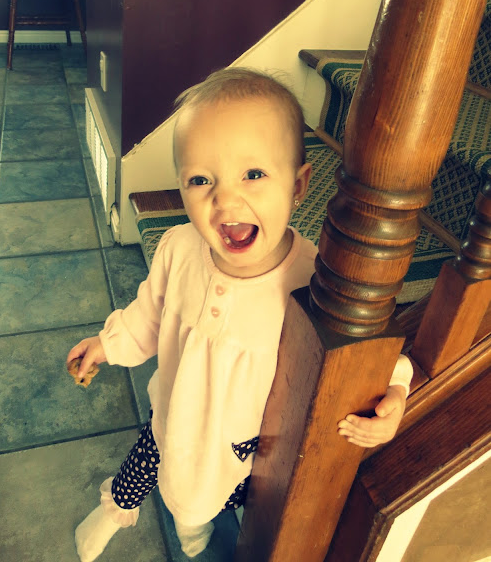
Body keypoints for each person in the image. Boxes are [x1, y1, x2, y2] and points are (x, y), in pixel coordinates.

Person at [68, 68, 413, 562]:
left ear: (298, 185)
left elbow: (365, 351)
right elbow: (148, 315)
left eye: (253, 174)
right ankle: (117, 511)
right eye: (200, 180)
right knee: (150, 460)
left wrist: (395, 392)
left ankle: (194, 524)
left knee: (216, 495)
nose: (225, 199)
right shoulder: (178, 248)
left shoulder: (316, 279)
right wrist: (107, 344)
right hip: (175, 409)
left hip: (244, 444)